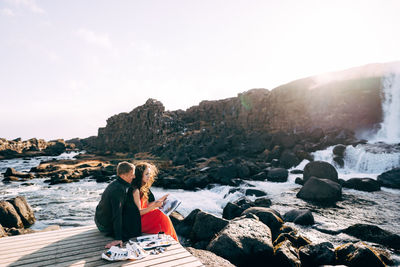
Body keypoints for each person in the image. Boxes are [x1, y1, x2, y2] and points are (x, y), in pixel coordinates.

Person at [95, 162, 141, 248]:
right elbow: (117, 214)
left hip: (101, 217)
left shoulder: (120, 184)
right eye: (132, 174)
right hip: (103, 225)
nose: (134, 177)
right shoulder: (118, 189)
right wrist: (118, 238)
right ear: (123, 176)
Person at [131, 162, 178, 241]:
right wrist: (154, 206)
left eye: (149, 173)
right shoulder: (136, 190)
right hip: (137, 222)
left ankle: (171, 238)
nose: (149, 176)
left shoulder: (143, 188)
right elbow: (138, 213)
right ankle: (172, 239)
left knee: (162, 213)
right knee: (160, 214)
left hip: (143, 217)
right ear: (140, 175)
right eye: (146, 174)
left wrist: (161, 199)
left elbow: (146, 205)